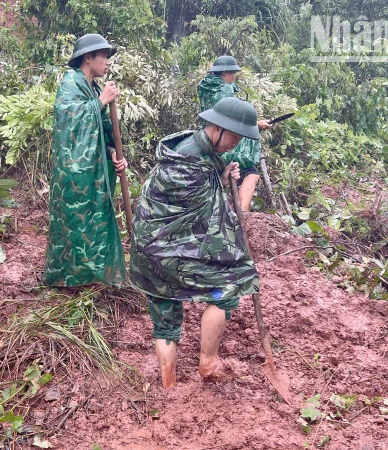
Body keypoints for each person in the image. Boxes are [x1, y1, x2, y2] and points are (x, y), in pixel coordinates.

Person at [129, 97, 261, 388]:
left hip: (149, 249)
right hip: (169, 252)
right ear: (217, 128)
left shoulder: (188, 146)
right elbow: (207, 218)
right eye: (235, 137)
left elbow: (199, 195)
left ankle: (169, 387)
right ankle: (208, 362)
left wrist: (221, 176)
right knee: (227, 287)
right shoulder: (192, 161)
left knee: (165, 314)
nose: (235, 145)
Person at [44, 33, 128, 289]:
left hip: (94, 170)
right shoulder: (70, 83)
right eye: (103, 56)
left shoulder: (91, 87)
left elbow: (103, 129)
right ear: (87, 57)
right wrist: (101, 102)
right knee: (75, 223)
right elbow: (69, 122)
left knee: (95, 220)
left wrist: (113, 151)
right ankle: (69, 280)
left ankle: (92, 277)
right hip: (73, 171)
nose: (107, 61)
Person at [197, 55, 271, 211]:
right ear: (224, 73)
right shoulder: (224, 88)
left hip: (210, 134)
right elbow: (229, 119)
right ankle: (242, 213)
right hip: (223, 138)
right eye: (232, 73)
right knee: (251, 172)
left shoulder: (205, 86)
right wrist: (257, 124)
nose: (234, 76)